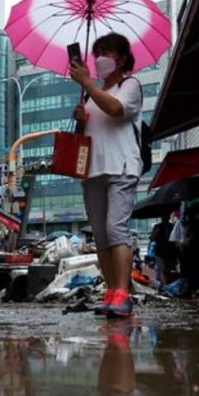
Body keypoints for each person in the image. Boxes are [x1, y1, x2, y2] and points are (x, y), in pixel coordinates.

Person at [70, 32, 143, 318]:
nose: (100, 58)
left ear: (122, 58)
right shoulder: (90, 95)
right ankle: (112, 291)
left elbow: (116, 109)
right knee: (100, 235)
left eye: (107, 52)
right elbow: (87, 133)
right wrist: (80, 120)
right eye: (97, 52)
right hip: (93, 170)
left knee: (115, 229)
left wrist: (87, 81)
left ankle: (124, 293)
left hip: (121, 167)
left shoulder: (130, 84)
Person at [149, 214, 177, 288]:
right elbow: (152, 238)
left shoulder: (172, 226)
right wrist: (156, 233)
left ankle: (168, 284)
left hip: (170, 251)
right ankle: (165, 286)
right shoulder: (157, 227)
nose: (165, 218)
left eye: (167, 216)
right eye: (164, 216)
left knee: (168, 269)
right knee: (161, 269)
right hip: (160, 250)